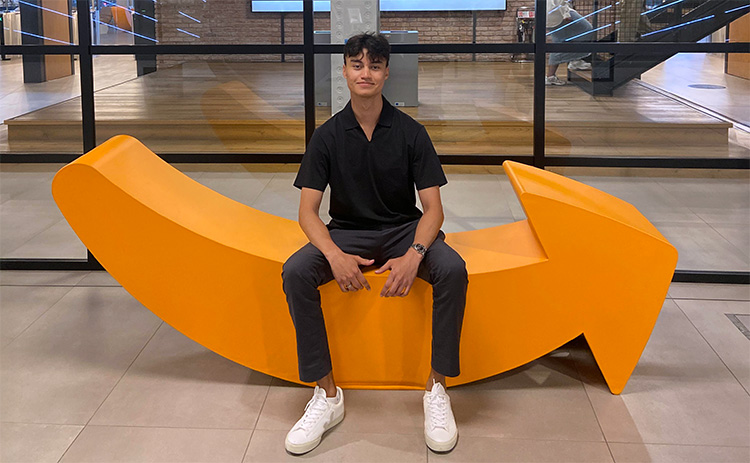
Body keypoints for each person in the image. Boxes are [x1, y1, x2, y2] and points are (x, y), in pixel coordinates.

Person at [281, 32, 468, 456]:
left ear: (386, 73)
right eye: (357, 64)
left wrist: (414, 256)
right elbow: (308, 212)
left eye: (375, 65)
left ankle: (437, 389)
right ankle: (327, 396)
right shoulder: (327, 136)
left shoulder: (410, 132)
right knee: (295, 272)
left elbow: (433, 210)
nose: (366, 73)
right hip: (347, 231)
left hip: (404, 229)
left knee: (453, 269)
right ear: (345, 71)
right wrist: (333, 255)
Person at [546, 0, 595, 86]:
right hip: (558, 14)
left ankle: (551, 76)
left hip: (548, 15)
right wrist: (566, 14)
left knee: (559, 42)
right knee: (587, 29)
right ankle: (574, 59)